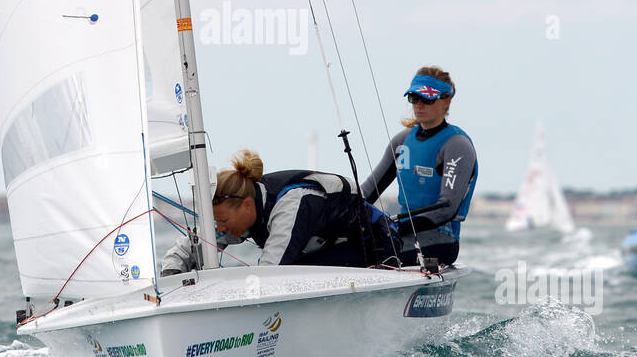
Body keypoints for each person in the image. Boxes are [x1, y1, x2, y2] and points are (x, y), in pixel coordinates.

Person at [159, 150, 393, 275]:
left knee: (297, 273)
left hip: (375, 249)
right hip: (320, 255)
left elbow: (270, 273)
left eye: (222, 220)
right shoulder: (237, 212)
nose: (219, 228)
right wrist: (171, 271)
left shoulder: (292, 206)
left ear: (247, 206)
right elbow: (192, 245)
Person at [361, 66, 477, 266]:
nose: (419, 105)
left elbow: (446, 209)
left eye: (428, 99)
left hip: (441, 240)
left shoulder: (456, 146)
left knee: (368, 258)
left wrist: (397, 227)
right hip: (400, 233)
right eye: (415, 98)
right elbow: (367, 191)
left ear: (446, 101)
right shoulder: (401, 142)